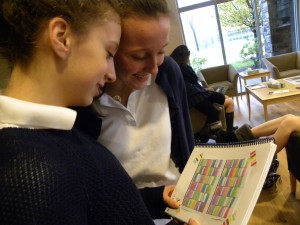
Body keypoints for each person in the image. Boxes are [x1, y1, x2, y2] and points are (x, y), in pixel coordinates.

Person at [0, 1, 159, 224]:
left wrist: (158, 198)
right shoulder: (30, 175)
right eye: (109, 53)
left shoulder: (55, 138)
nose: (112, 74)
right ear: (62, 37)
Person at [73, 1, 197, 224]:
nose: (154, 68)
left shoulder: (168, 73)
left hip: (180, 209)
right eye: (139, 56)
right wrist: (155, 200)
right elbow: (92, 198)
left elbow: (186, 149)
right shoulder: (83, 101)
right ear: (110, 50)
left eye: (161, 51)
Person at [170, 44, 236, 132]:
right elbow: (194, 78)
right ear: (185, 56)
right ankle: (228, 131)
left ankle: (228, 129)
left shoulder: (177, 67)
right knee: (222, 99)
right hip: (194, 96)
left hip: (196, 93)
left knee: (222, 97)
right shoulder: (182, 68)